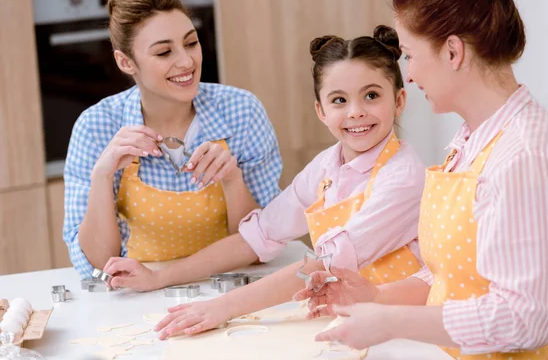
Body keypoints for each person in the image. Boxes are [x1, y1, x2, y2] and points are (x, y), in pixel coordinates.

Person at [295, 0, 548, 360]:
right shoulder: (472, 137)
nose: (409, 75)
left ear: (453, 51)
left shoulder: (525, 157)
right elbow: (453, 275)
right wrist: (378, 296)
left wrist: (388, 322)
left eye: (410, 55)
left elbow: (523, 319)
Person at [103, 25, 427, 339]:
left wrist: (222, 308)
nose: (356, 112)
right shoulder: (329, 165)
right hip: (350, 321)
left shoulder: (403, 178)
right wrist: (159, 277)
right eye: (339, 100)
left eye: (371, 95)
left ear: (399, 100)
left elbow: (326, 264)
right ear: (321, 110)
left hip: (402, 330)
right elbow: (258, 236)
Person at [63, 0, 282, 278]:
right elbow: (99, 262)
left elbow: (263, 247)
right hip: (138, 294)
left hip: (236, 282)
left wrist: (233, 180)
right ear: (126, 62)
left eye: (191, 43)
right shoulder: (95, 127)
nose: (186, 61)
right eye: (164, 52)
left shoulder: (241, 111)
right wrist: (102, 175)